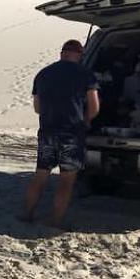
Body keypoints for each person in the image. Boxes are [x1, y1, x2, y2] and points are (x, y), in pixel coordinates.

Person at [23, 39, 100, 229]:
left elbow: (38, 108)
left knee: (41, 175)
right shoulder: (86, 74)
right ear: (80, 55)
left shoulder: (43, 74)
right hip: (72, 133)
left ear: (62, 53)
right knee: (66, 178)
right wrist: (87, 120)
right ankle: (56, 221)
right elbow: (95, 106)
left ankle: (27, 215)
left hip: (47, 131)